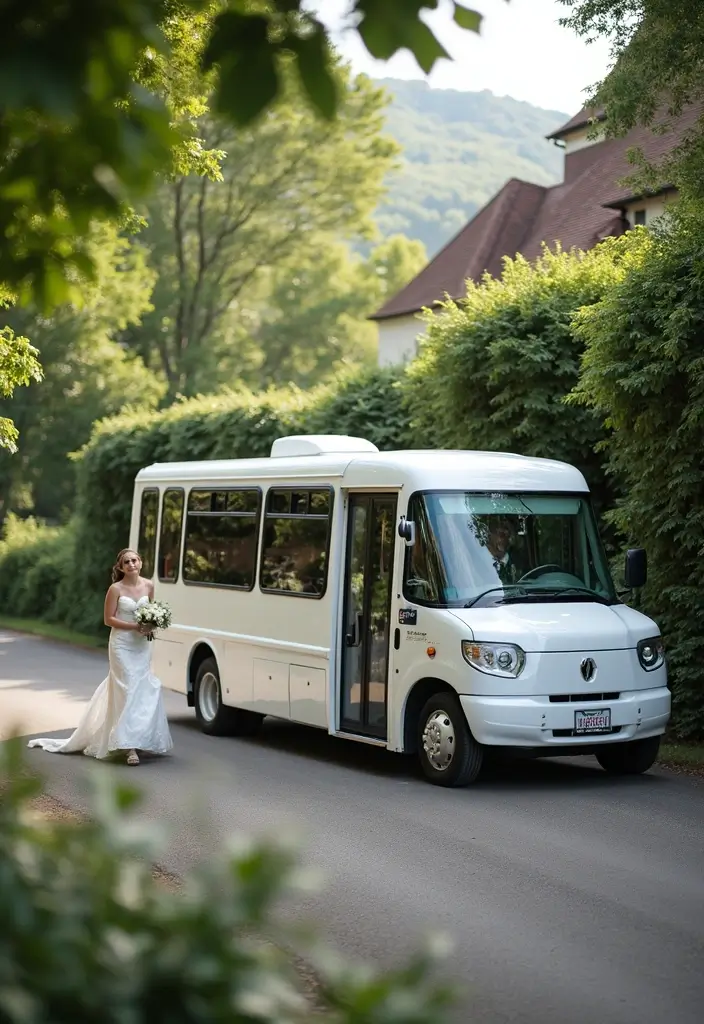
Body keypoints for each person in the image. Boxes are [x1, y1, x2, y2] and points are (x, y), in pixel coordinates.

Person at [28, 548, 173, 766]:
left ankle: (138, 736)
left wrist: (151, 625)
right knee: (128, 688)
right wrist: (135, 626)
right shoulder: (115, 589)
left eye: (134, 560)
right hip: (122, 644)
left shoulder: (149, 586)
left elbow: (151, 611)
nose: (131, 564)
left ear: (141, 563)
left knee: (141, 689)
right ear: (121, 567)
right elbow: (109, 619)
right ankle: (128, 746)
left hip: (142, 646)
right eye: (127, 562)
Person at [485, 518, 520, 584]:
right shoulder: (478, 561)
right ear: (489, 536)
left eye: (507, 533)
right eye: (500, 534)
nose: (501, 538)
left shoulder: (519, 561)